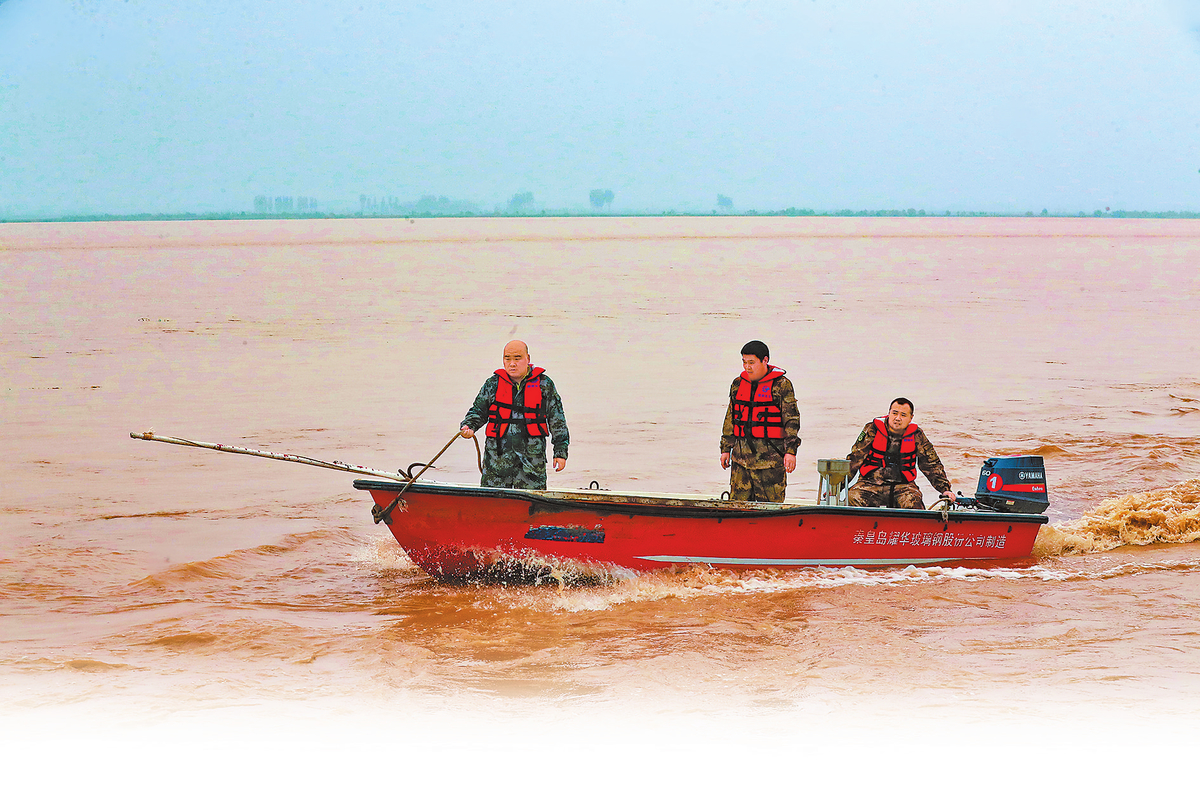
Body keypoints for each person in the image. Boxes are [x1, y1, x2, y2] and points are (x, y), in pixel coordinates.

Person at [459, 340, 569, 489]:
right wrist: (468, 426)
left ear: (528, 359)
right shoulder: (493, 384)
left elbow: (558, 420)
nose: (512, 363)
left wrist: (560, 453)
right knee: (493, 505)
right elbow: (478, 411)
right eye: (507, 358)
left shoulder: (545, 384)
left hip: (531, 466)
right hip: (496, 465)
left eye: (517, 358)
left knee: (532, 505)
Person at [719, 340, 801, 502]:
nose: (747, 367)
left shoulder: (782, 385)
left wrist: (791, 452)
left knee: (771, 510)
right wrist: (725, 448)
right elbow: (731, 418)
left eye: (751, 362)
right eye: (744, 362)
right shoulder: (738, 384)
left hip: (770, 463)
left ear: (765, 360)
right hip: (741, 462)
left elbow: (791, 420)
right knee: (738, 509)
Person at [844, 397, 953, 509]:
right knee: (853, 497)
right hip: (869, 484)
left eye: (903, 415)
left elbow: (931, 464)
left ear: (911, 418)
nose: (897, 418)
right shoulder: (872, 429)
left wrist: (945, 490)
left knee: (913, 501)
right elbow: (854, 459)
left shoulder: (917, 435)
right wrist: (837, 486)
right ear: (889, 413)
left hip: (903, 486)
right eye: (894, 413)